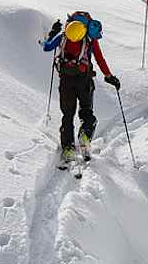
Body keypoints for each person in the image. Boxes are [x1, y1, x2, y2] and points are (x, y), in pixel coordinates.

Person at [43, 11, 121, 167]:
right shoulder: (89, 39)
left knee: (67, 115)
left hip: (65, 81)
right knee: (86, 112)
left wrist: (52, 33)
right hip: (84, 81)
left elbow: (47, 47)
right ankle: (84, 137)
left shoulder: (63, 36)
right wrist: (109, 76)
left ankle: (68, 150)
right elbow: (99, 58)